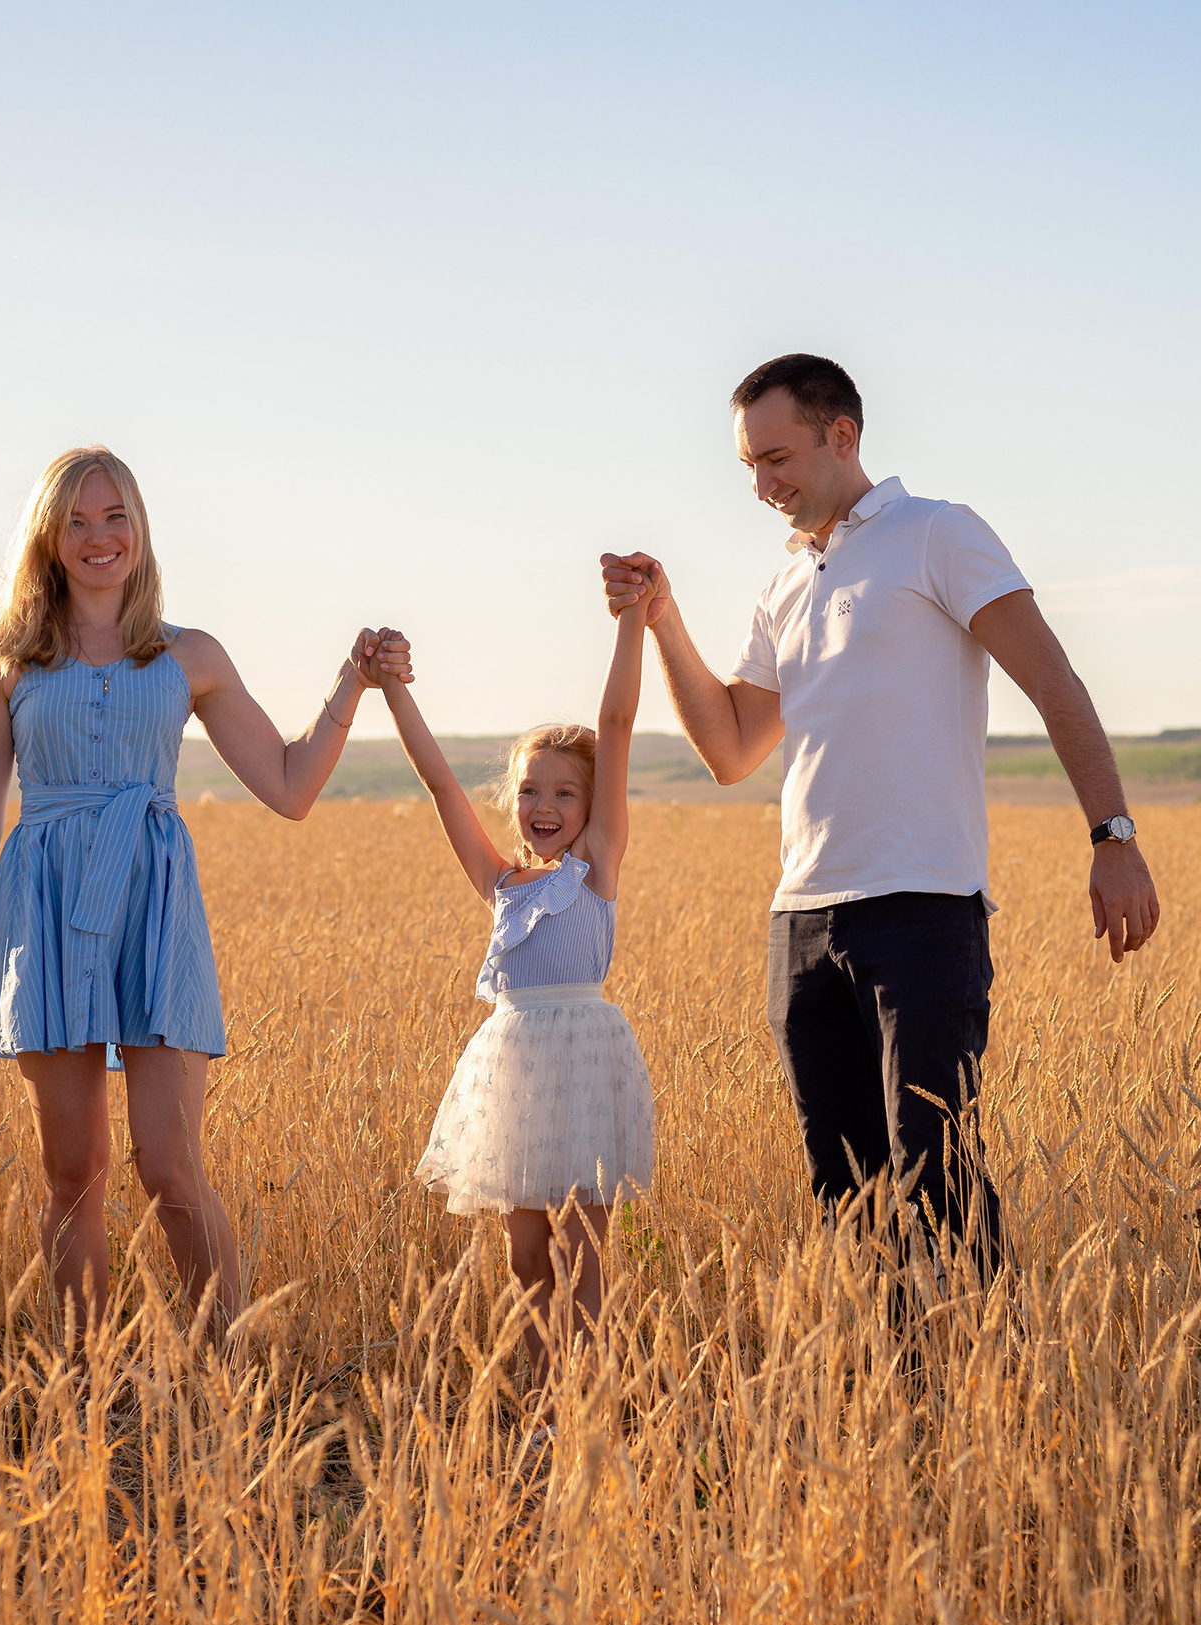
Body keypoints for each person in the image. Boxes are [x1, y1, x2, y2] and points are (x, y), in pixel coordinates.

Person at [600, 354, 1160, 1283]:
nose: (760, 484)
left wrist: (1114, 837)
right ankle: (896, 1405)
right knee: (845, 1193)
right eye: (747, 465)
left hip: (924, 906)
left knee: (937, 1174)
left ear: (842, 435)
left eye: (775, 458)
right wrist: (663, 618)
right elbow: (732, 747)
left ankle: (990, 1389)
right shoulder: (785, 583)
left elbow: (1054, 682)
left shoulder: (939, 533)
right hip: (802, 920)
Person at [0, 444, 410, 1333]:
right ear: (48, 539)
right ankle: (80, 1392)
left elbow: (289, 784)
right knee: (73, 1170)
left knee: (169, 1162)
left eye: (115, 516)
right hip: (45, 917)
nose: (98, 538)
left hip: (154, 915)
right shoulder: (8, 660)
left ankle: (228, 1375)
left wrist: (352, 680)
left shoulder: (185, 654)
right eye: (77, 522)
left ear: (140, 529)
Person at [376, 597, 656, 1382]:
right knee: (525, 1246)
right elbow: (437, 782)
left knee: (583, 1243)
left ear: (592, 807)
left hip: (585, 1059)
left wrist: (632, 621)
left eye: (565, 793)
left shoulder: (596, 867)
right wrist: (392, 686)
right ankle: (544, 1391)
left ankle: (588, 1395)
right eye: (531, 791)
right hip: (515, 1067)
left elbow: (620, 722)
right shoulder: (504, 885)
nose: (544, 807)